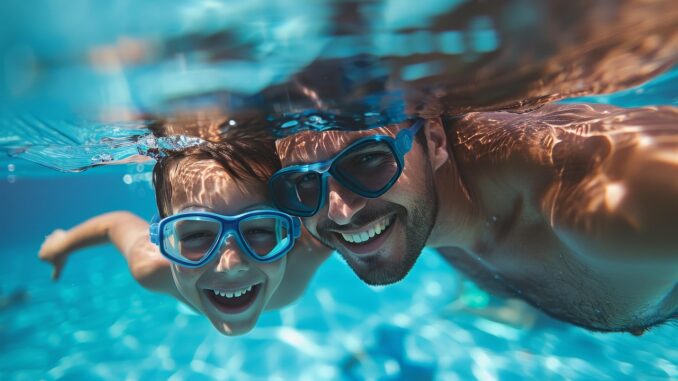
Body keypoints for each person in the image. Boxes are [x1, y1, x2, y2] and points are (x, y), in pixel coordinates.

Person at [271, 102, 678, 334]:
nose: (340, 210)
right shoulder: (347, 206)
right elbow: (274, 294)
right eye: (303, 182)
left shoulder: (607, 193)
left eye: (368, 160)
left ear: (435, 140)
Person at [39, 122, 331, 336]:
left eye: (258, 230)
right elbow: (113, 224)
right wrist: (62, 243)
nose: (230, 265)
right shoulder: (153, 267)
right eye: (197, 235)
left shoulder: (312, 244)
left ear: (289, 231)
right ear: (162, 241)